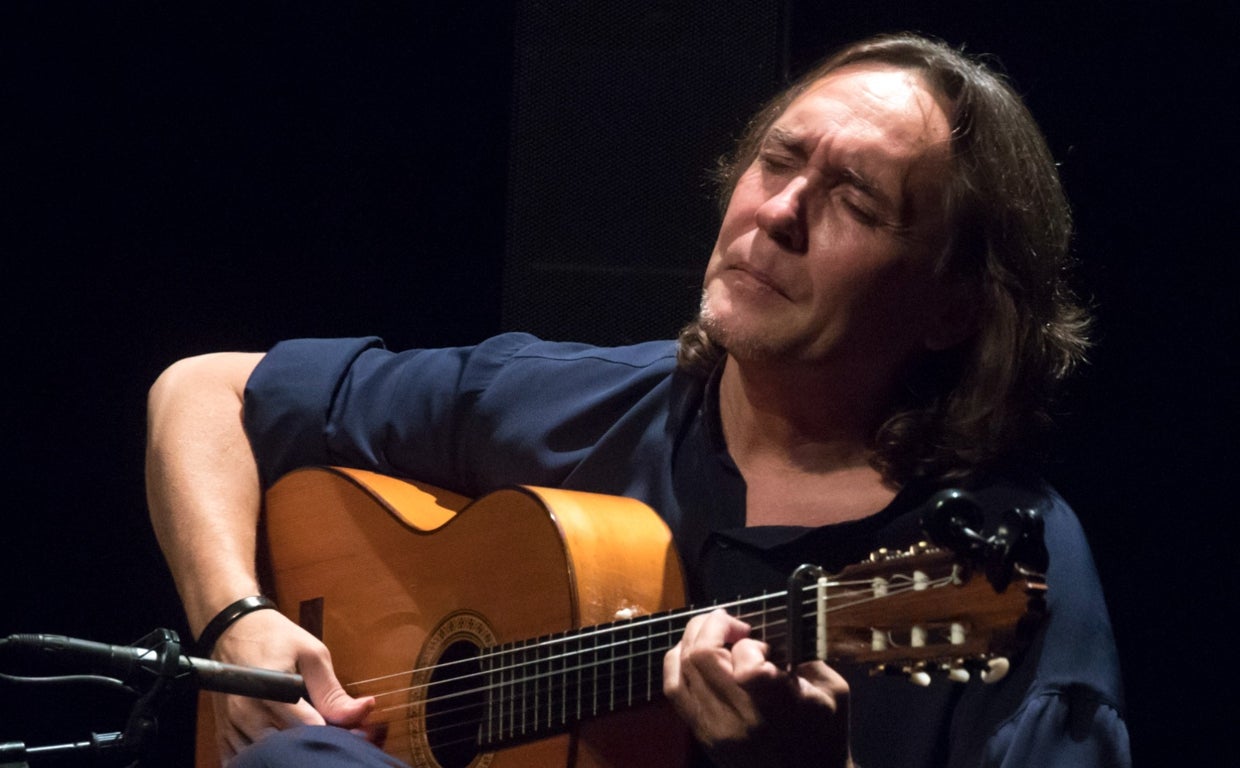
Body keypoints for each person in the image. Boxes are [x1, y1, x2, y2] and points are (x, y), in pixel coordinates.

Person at [146, 32, 1130, 768]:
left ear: (952, 310)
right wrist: (236, 620)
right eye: (778, 161)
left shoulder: (1008, 575)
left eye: (856, 201)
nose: (778, 213)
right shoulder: (582, 402)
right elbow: (206, 394)